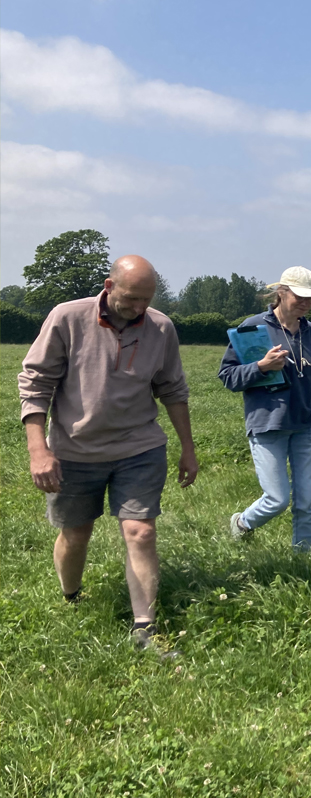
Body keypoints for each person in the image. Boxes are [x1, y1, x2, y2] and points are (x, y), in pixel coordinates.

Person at [18, 255, 199, 652]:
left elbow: (173, 389)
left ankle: (144, 628)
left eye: (146, 300)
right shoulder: (67, 318)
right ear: (108, 285)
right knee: (76, 532)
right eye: (132, 298)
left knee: (141, 530)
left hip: (139, 447)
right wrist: (38, 450)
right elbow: (35, 383)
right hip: (74, 449)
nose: (139, 309)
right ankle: (71, 595)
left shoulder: (161, 327)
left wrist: (188, 447)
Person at [219, 266, 311, 551]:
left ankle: (304, 557)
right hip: (268, 425)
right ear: (281, 293)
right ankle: (242, 523)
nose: (306, 303)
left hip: (307, 425)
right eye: (299, 296)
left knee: (306, 501)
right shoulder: (253, 328)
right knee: (277, 499)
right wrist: (261, 367)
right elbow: (228, 376)